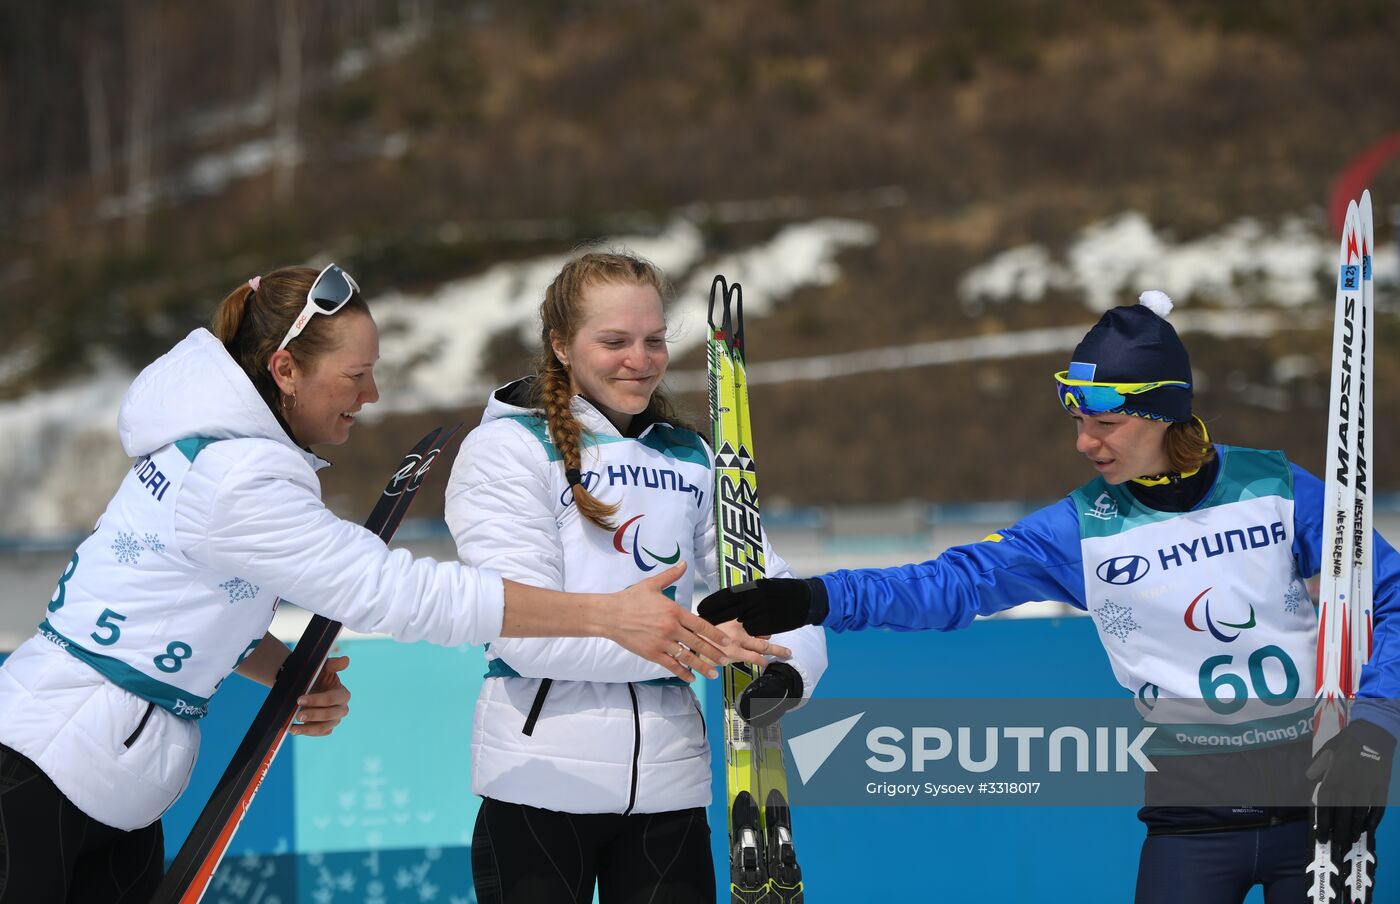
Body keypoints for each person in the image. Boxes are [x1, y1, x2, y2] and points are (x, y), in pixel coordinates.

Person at [0, 263, 755, 904]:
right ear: (286, 371)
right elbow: (397, 594)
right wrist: (602, 616)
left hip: (104, 769)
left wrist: (278, 669)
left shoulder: (222, 455)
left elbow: (167, 603)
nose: (370, 396)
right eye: (355, 376)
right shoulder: (239, 477)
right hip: (49, 763)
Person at [699, 291, 1400, 903]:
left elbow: (1391, 597)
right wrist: (818, 596)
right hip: (1191, 823)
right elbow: (953, 582)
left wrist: (1371, 729)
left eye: (1103, 422)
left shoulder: (1277, 488)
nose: (1083, 442)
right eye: (1075, 421)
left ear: (1161, 412)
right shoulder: (1080, 528)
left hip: (1317, 809)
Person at [444, 251, 828, 904]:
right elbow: (517, 621)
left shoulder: (689, 456)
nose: (640, 359)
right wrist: (689, 641)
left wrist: (786, 670)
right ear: (561, 345)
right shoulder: (506, 449)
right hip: (540, 783)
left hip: (668, 786)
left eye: (654, 341)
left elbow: (766, 583)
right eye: (615, 341)